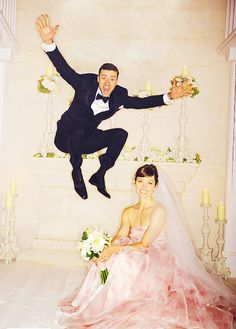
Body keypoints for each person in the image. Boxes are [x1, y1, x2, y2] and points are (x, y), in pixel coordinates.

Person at [54, 164, 236, 329]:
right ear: (134, 182)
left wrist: (115, 250)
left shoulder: (159, 211)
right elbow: (120, 236)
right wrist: (104, 249)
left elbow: (144, 244)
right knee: (108, 259)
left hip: (154, 252)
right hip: (131, 247)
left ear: (156, 186)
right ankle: (103, 304)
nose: (144, 187)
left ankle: (120, 304)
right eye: (140, 182)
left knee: (126, 259)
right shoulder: (129, 211)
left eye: (149, 183)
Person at [36, 14, 191, 200]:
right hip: (65, 138)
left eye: (112, 79)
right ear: (97, 78)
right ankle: (76, 172)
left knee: (120, 134)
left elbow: (141, 103)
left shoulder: (119, 96)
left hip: (86, 140)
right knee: (77, 131)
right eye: (103, 77)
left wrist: (170, 95)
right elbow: (64, 69)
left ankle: (99, 174)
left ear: (117, 81)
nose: (107, 83)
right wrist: (49, 42)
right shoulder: (84, 83)